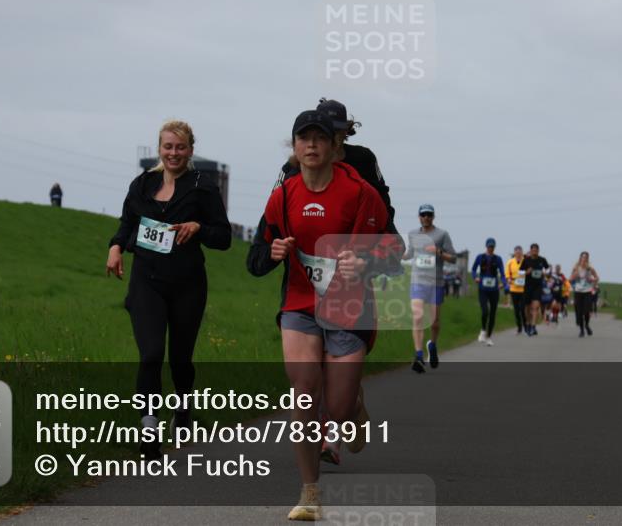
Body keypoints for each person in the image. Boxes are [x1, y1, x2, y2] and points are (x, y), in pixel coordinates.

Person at [246, 110, 401, 521]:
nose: (311, 145)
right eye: (303, 138)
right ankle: (309, 492)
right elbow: (257, 256)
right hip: (300, 304)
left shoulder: (360, 192)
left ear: (335, 146)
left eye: (319, 138)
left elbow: (394, 249)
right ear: (294, 147)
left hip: (348, 305)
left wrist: (364, 261)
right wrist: (274, 251)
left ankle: (353, 408)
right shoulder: (283, 194)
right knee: (303, 394)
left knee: (338, 406)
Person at [106, 120, 231, 459]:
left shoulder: (202, 186)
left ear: (190, 150)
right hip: (146, 280)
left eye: (180, 147)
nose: (173, 153)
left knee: (179, 359)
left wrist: (198, 226)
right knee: (150, 355)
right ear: (159, 148)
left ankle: (183, 407)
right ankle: (149, 427)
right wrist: (116, 247)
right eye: (167, 147)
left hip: (187, 283)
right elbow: (127, 223)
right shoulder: (142, 184)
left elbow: (223, 237)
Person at [269, 98, 404, 266]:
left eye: (339, 130)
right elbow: (274, 210)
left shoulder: (363, 159)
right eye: (328, 130)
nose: (334, 135)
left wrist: (378, 241)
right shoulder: (294, 166)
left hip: (355, 244)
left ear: (346, 130)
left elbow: (382, 200)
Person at [405, 204, 456, 372]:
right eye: (423, 214)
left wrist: (439, 252)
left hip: (436, 282)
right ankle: (418, 355)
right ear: (419, 216)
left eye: (429, 214)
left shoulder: (442, 234)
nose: (426, 217)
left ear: (433, 216)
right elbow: (410, 254)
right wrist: (396, 253)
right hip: (418, 281)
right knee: (418, 316)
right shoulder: (413, 234)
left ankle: (432, 346)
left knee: (434, 322)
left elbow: (453, 258)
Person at [471, 238, 508, 346]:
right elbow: (473, 270)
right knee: (485, 311)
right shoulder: (480, 257)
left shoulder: (498, 259)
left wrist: (504, 283)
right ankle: (483, 330)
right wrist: (475, 278)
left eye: (492, 247)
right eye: (489, 246)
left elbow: (502, 273)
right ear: (486, 246)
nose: (491, 248)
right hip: (483, 289)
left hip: (494, 290)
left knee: (492, 313)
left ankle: (489, 337)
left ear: (494, 247)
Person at [520, 243, 550, 336]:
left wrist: (545, 274)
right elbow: (520, 272)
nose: (535, 252)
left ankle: (533, 326)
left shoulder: (542, 260)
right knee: (527, 309)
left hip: (538, 286)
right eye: (533, 250)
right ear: (531, 250)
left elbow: (548, 269)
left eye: (536, 250)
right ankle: (528, 324)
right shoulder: (526, 260)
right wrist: (526, 272)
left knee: (535, 307)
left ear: (538, 251)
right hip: (528, 286)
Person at [571, 251, 600, 337]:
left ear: (587, 259)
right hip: (578, 292)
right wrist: (574, 277)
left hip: (587, 292)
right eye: (582, 257)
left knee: (587, 311)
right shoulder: (576, 268)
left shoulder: (590, 269)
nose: (584, 259)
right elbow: (570, 279)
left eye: (586, 257)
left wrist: (593, 282)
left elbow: (597, 278)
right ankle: (582, 330)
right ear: (580, 258)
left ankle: (587, 325)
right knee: (579, 312)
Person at [505, 246, 527, 334]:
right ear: (514, 253)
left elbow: (529, 270)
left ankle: (525, 326)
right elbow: (507, 273)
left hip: (523, 289)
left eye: (519, 252)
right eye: (516, 252)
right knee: (516, 309)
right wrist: (508, 279)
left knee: (522, 309)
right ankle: (519, 326)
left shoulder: (526, 261)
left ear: (522, 253)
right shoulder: (510, 262)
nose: (518, 254)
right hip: (514, 288)